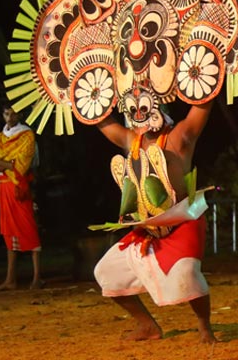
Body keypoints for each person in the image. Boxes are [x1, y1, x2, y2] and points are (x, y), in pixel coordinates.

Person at [93, 102, 215, 342]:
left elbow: (203, 105)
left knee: (187, 273)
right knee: (106, 271)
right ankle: (148, 326)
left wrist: (214, 72)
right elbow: (103, 121)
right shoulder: (133, 141)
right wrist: (79, 99)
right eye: (134, 110)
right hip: (149, 230)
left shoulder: (179, 137)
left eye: (145, 107)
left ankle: (205, 328)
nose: (140, 114)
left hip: (182, 222)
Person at [0, 104, 42, 290]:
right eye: (6, 113)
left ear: (19, 114)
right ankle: (10, 279)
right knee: (8, 230)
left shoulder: (27, 135)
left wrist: (3, 164)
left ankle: (37, 277)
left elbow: (21, 165)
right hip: (4, 187)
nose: (10, 117)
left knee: (28, 227)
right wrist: (8, 163)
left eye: (13, 113)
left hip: (20, 186)